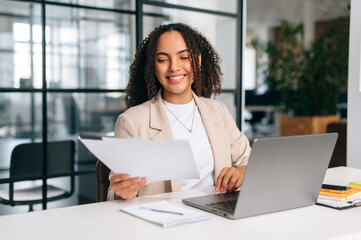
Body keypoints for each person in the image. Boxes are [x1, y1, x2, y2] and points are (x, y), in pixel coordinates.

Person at [108, 23, 251, 200]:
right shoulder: (132, 121)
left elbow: (248, 159)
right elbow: (114, 194)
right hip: (163, 220)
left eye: (184, 57)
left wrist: (242, 172)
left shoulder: (217, 110)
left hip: (218, 214)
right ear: (154, 66)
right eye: (162, 59)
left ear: (197, 62)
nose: (174, 67)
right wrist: (122, 193)